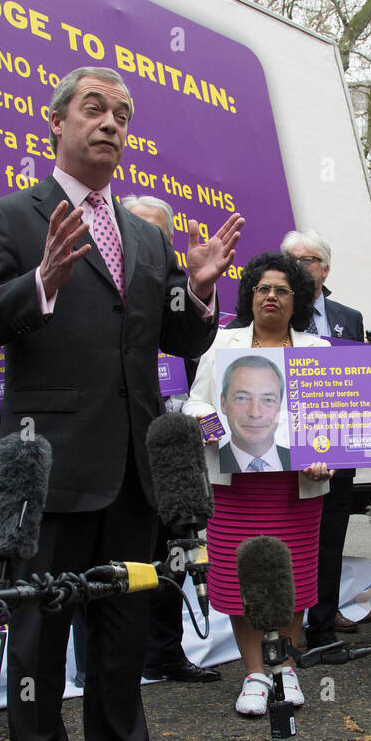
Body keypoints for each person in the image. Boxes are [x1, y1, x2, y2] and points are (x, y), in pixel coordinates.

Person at [0, 66, 242, 741]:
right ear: (55, 123)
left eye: (122, 112)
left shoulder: (145, 236)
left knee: (119, 631)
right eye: (94, 109)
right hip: (47, 469)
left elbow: (176, 342)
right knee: (39, 637)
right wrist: (40, 280)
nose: (110, 122)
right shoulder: (11, 217)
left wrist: (201, 294)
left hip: (134, 472)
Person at [183, 252, 332, 715]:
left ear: (298, 299)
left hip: (294, 491)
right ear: (251, 295)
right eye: (263, 288)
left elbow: (330, 422)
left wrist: (322, 456)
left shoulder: (317, 350)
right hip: (235, 486)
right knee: (236, 578)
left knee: (292, 579)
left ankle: (284, 670)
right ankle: (252, 675)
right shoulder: (223, 342)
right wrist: (210, 427)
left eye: (282, 290)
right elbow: (195, 402)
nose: (271, 296)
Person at [120, 194, 218, 684]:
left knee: (174, 555)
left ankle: (165, 651)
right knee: (118, 559)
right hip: (119, 448)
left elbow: (211, 392)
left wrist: (211, 432)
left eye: (158, 233)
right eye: (138, 228)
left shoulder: (180, 300)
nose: (147, 241)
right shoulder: (103, 294)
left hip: (176, 456)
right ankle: (109, 658)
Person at [280, 229, 365, 644]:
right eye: (290, 260)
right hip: (286, 454)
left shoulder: (350, 317)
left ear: (325, 269)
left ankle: (324, 627)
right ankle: (284, 632)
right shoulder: (273, 313)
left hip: (337, 450)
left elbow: (361, 382)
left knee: (330, 543)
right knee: (291, 544)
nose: (298, 267)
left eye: (306, 260)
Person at [217, 354, 291, 472]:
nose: (255, 413)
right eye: (242, 398)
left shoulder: (305, 462)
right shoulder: (209, 462)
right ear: (223, 403)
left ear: (280, 405)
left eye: (268, 400)